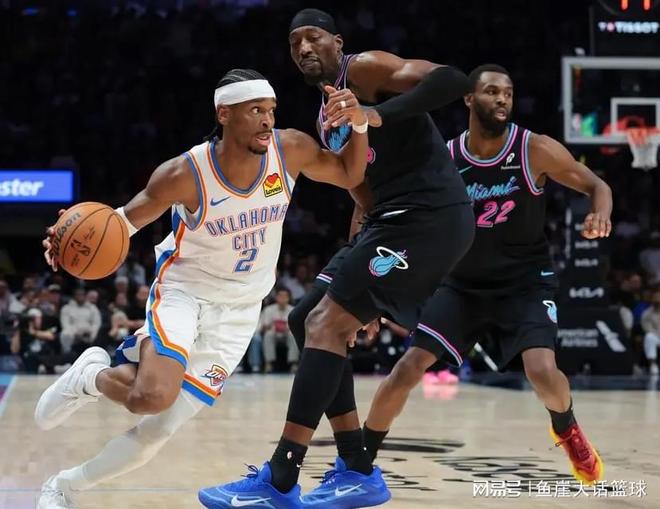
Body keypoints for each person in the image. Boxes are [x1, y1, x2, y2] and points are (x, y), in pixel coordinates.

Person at [35, 68, 370, 509]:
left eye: (271, 110)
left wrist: (359, 123)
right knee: (152, 397)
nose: (267, 120)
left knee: (158, 430)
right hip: (185, 293)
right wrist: (65, 241)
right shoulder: (185, 173)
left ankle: (64, 486)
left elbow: (349, 173)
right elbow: (121, 222)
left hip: (241, 309)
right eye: (255, 110)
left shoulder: (289, 150)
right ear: (224, 114)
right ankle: (91, 377)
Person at [199, 9, 474, 509]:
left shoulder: (364, 69)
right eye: (294, 43)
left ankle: (281, 475)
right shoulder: (326, 119)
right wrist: (358, 273)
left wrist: (375, 114)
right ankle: (356, 466)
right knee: (307, 319)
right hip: (388, 223)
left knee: (325, 322)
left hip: (431, 217)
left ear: (337, 43)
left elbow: (453, 80)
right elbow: (360, 192)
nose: (304, 48)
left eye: (313, 37)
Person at [362, 64, 612, 486]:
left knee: (542, 372)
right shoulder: (445, 158)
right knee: (407, 368)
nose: (502, 100)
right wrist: (378, 289)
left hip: (524, 282)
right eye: (492, 91)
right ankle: (358, 459)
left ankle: (566, 426)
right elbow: (403, 221)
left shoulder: (533, 149)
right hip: (461, 284)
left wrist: (600, 214)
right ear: (468, 99)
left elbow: (597, 186)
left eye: (508, 93)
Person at [261, 287, 298, 373]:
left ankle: (294, 363)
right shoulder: (268, 309)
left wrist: (286, 327)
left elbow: (296, 327)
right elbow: (264, 327)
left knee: (293, 335)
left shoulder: (293, 310)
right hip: (274, 333)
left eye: (285, 296)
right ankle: (269, 364)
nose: (282, 299)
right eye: (280, 296)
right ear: (276, 297)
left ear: (288, 298)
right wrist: (274, 326)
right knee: (268, 334)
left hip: (287, 334)